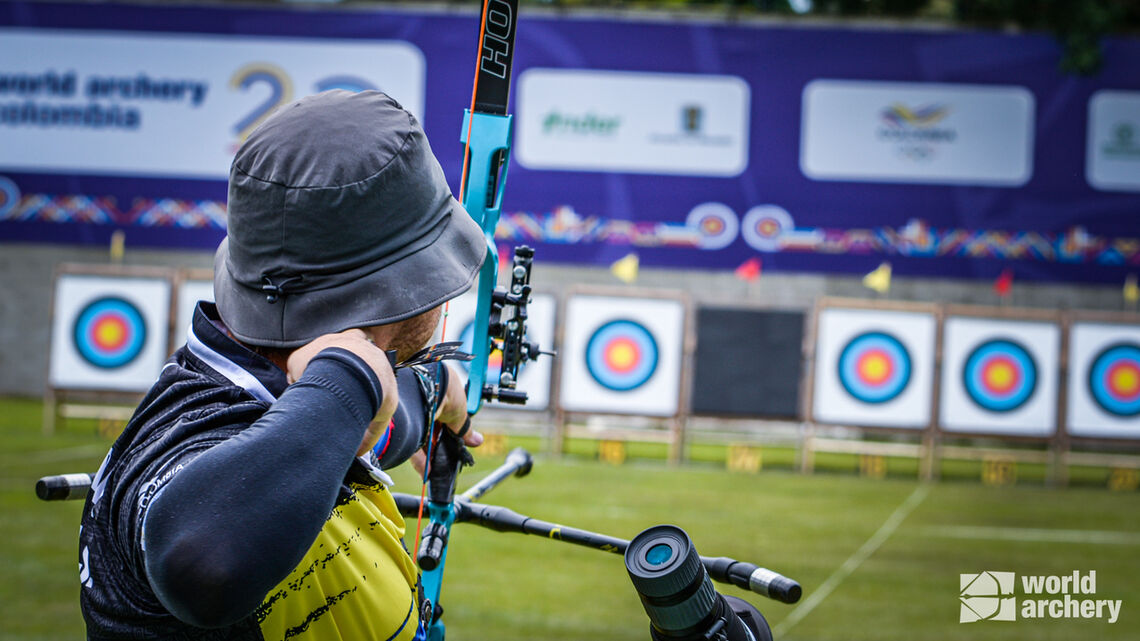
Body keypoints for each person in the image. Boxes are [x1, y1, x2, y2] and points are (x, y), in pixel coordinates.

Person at [77, 90, 487, 640]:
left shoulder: (317, 418)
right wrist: (351, 377)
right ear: (396, 293)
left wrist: (441, 391)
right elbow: (206, 568)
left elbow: (364, 423)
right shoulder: (191, 435)